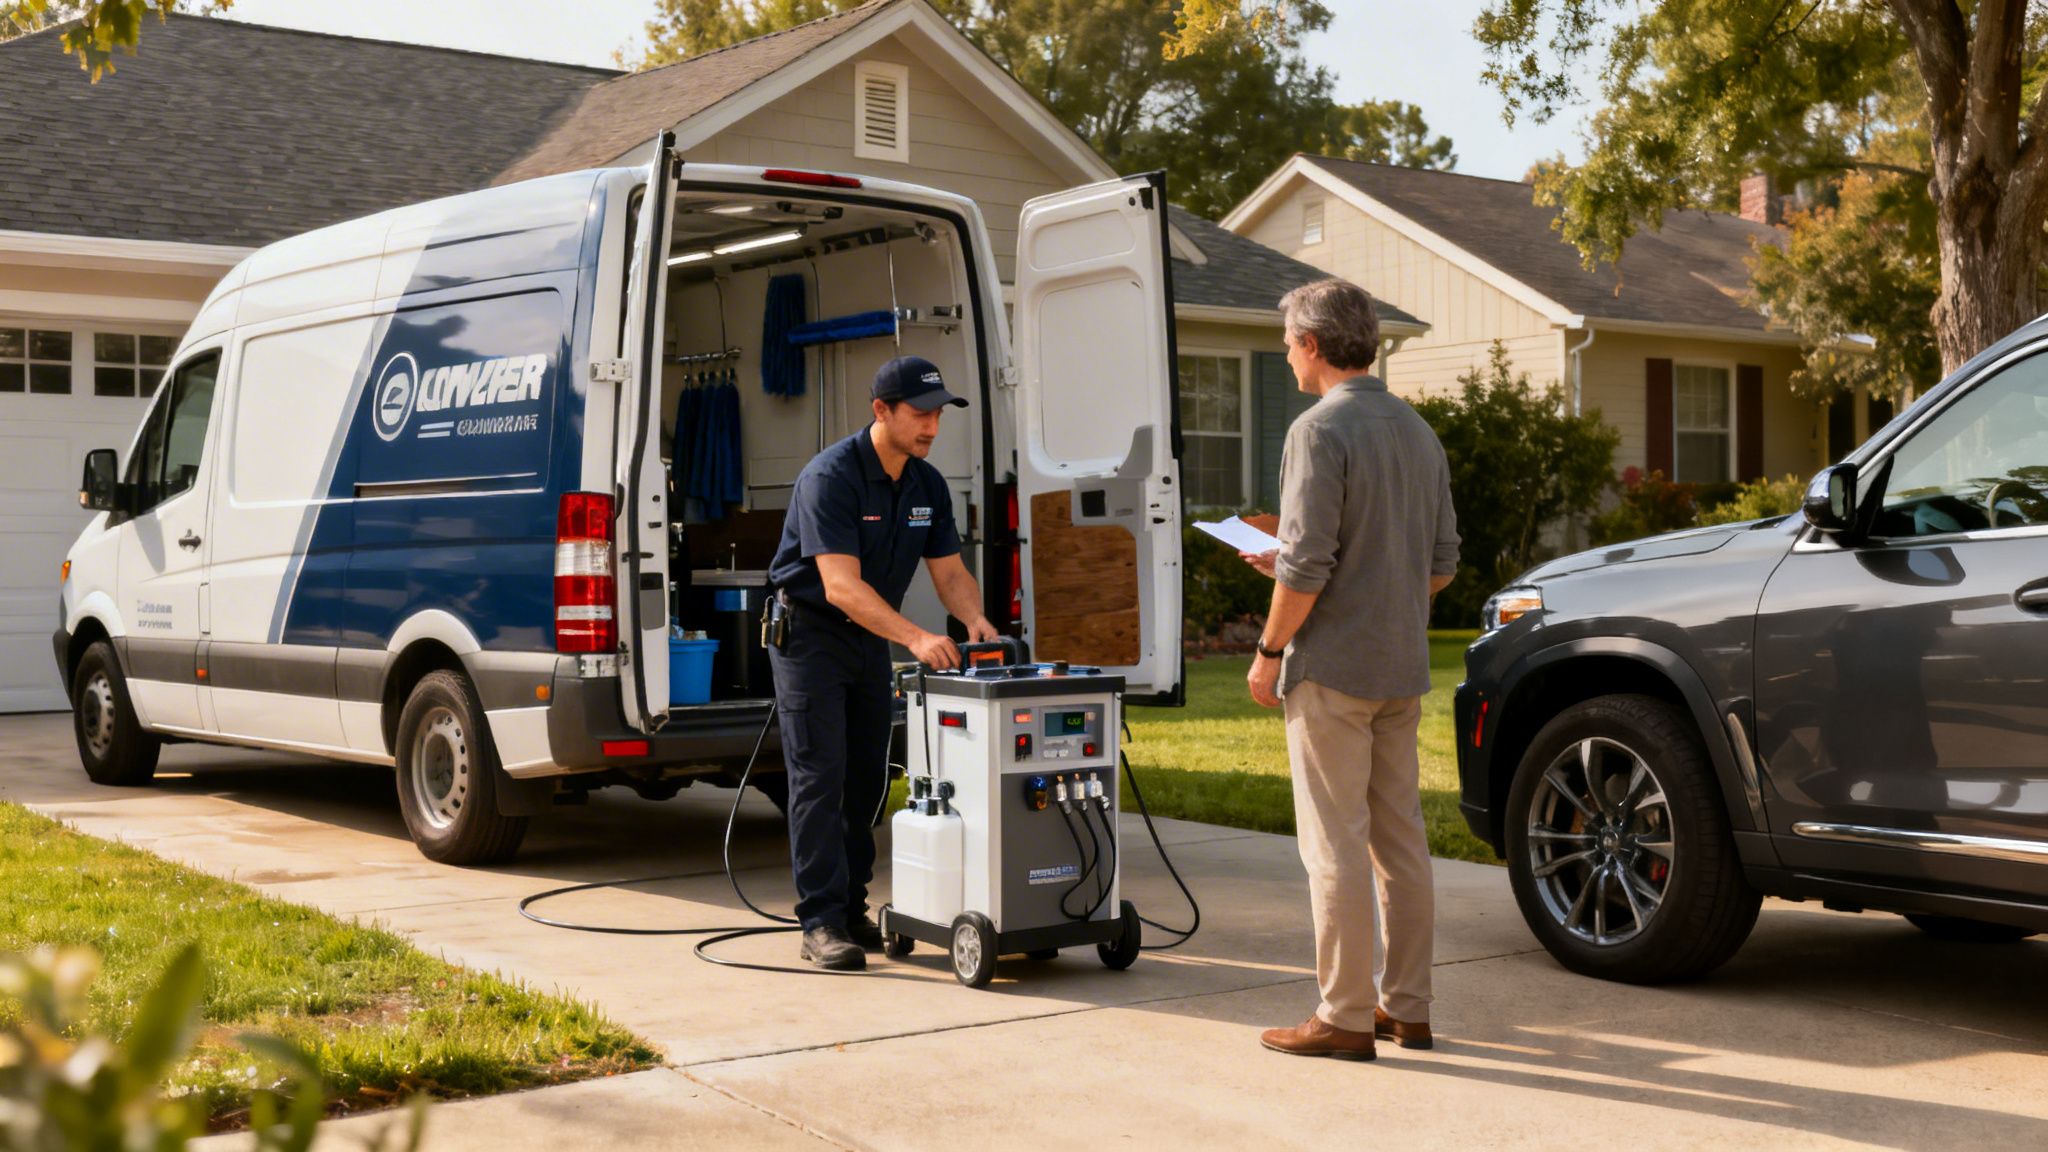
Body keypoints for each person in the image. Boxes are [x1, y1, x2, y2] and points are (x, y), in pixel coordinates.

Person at [1242, 278, 1459, 1060]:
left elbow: (1305, 570)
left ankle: (1343, 1016)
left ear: (1311, 345)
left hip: (1331, 670)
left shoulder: (1317, 430)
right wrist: (1356, 577)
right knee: (1400, 843)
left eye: (1288, 343)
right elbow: (1439, 567)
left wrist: (1269, 654)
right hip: (1400, 667)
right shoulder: (1417, 430)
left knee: (1333, 844)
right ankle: (1410, 1008)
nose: (1286, 356)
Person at [766, 355, 1001, 971]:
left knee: (868, 778)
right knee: (819, 777)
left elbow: (949, 571)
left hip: (867, 639)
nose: (932, 427)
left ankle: (851, 909)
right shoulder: (832, 478)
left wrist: (973, 620)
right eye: (920, 414)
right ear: (881, 411)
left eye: (938, 415)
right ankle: (819, 921)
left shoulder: (926, 484)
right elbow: (840, 586)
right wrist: (917, 638)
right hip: (811, 636)